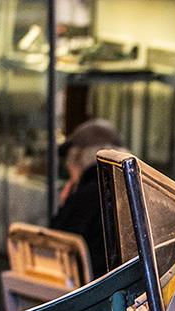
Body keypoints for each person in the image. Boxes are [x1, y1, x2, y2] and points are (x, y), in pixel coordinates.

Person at [49, 118, 124, 275]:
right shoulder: (125, 184)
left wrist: (65, 205)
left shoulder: (88, 194)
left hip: (93, 287)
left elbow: (54, 241)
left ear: (78, 158)